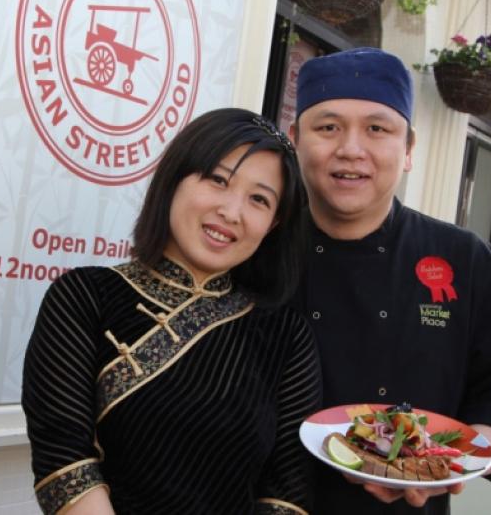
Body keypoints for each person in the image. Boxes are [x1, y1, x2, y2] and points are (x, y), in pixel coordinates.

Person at [22, 108, 322, 515]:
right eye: (218, 180)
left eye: (258, 199)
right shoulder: (84, 296)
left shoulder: (286, 334)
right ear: (176, 176)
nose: (232, 212)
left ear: (273, 223)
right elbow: (65, 460)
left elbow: (288, 487)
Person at [288, 48, 491, 515]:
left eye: (377, 129)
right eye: (327, 127)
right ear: (295, 140)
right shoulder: (257, 252)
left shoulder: (469, 263)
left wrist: (447, 465)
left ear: (408, 149)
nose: (350, 148)